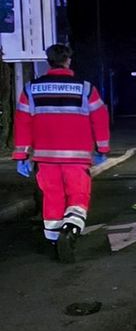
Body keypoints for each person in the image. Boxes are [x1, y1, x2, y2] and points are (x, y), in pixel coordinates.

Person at [13, 44, 110, 262]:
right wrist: (102, 148)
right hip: (77, 158)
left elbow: (22, 123)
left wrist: (21, 156)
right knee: (77, 196)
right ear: (68, 61)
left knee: (52, 198)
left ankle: (55, 242)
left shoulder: (30, 89)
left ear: (48, 61)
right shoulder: (85, 88)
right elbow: (100, 118)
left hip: (45, 159)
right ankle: (71, 228)